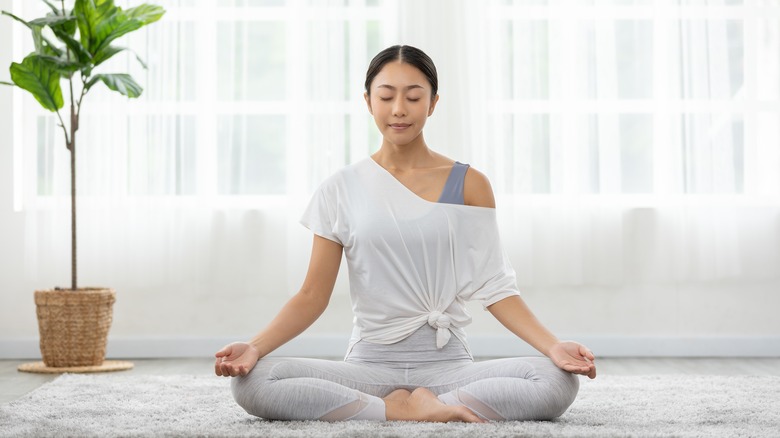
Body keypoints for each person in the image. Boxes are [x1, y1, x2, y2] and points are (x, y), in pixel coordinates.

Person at [215, 45, 596, 423]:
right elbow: (312, 295)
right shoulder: (341, 188)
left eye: (414, 97)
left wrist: (553, 346)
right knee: (256, 381)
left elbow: (496, 287)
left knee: (554, 380)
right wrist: (254, 347)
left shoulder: (468, 184)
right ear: (368, 101)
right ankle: (397, 408)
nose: (399, 109)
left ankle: (408, 406)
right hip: (369, 368)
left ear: (432, 103)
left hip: (448, 369)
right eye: (386, 96)